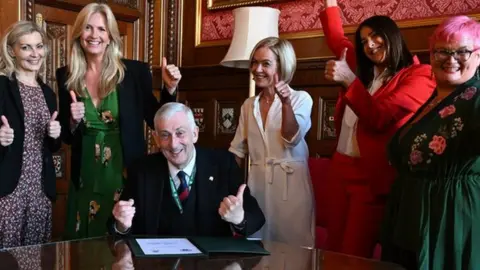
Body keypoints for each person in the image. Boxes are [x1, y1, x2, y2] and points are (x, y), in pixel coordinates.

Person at [319, 0, 436, 257]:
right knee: (332, 248)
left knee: (354, 253)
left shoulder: (420, 75)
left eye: (375, 37)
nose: (369, 45)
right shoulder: (364, 69)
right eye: (363, 41)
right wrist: (329, 3)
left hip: (371, 177)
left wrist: (349, 79)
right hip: (339, 168)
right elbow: (337, 38)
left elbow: (380, 117)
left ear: (391, 35)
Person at [57, 3, 180, 239]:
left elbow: (156, 120)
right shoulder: (67, 74)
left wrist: (169, 88)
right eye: (88, 28)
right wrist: (72, 121)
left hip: (123, 170)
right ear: (79, 33)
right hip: (85, 174)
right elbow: (66, 135)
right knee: (84, 241)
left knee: (120, 239)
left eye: (101, 29)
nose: (95, 35)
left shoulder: (134, 72)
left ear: (111, 35)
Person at [381, 16, 480, 270]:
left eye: (462, 51)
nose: (451, 58)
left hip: (449, 219)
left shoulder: (476, 97)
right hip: (410, 217)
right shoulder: (435, 99)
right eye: (442, 51)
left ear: (478, 56)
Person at [111, 102, 265, 237]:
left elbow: (257, 219)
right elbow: (117, 225)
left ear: (195, 134)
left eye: (180, 133)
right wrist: (122, 226)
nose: (174, 144)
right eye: (165, 135)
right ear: (156, 138)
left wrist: (240, 219)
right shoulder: (142, 170)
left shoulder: (222, 164)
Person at [229, 37, 315, 247]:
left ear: (282, 66)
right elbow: (237, 151)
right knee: (256, 247)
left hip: (291, 186)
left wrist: (285, 103)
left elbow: (291, 138)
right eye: (254, 62)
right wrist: (227, 189)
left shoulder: (301, 99)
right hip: (257, 186)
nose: (257, 69)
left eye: (265, 64)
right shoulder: (249, 105)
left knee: (294, 249)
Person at [0, 21, 61, 248]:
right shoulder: (2, 86)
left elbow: (51, 147)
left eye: (39, 46)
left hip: (40, 191)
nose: (35, 54)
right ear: (12, 51)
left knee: (35, 258)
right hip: (9, 190)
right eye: (26, 47)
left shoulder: (48, 92)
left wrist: (55, 134)